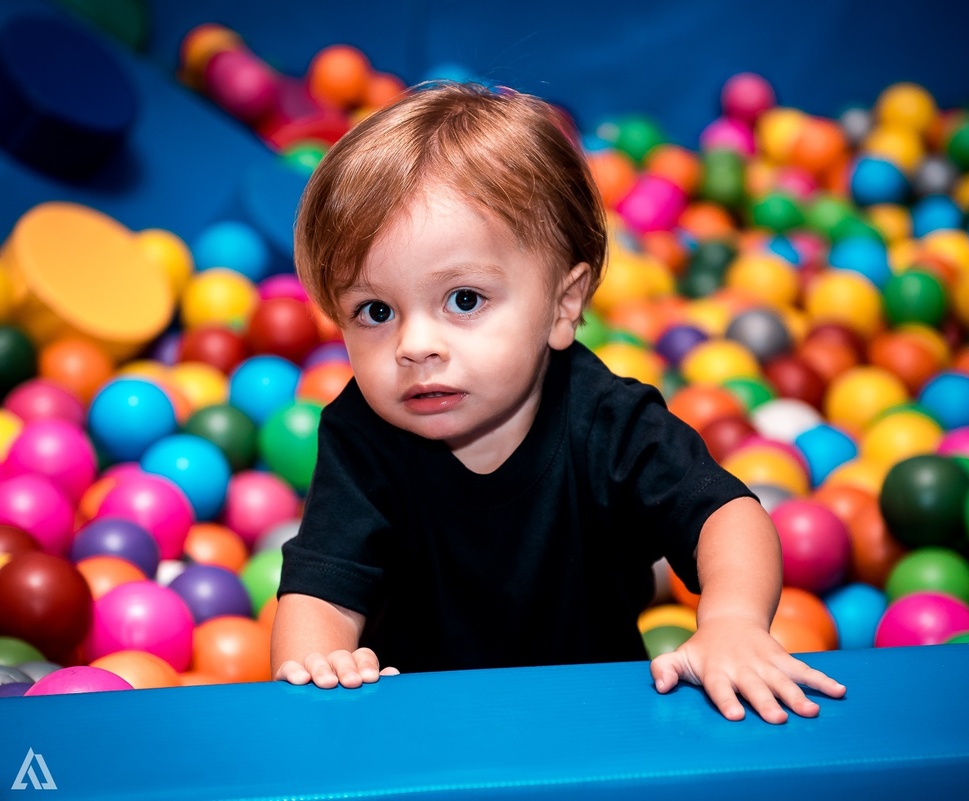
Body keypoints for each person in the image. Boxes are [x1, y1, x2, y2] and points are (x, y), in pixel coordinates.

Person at [271, 82, 845, 724]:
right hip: (425, 728)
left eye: (464, 300)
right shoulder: (361, 434)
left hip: (595, 717)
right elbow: (321, 590)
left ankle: (642, 568)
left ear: (563, 305)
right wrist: (316, 675)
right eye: (375, 310)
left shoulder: (606, 417)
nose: (415, 345)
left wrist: (733, 623)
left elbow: (728, 515)